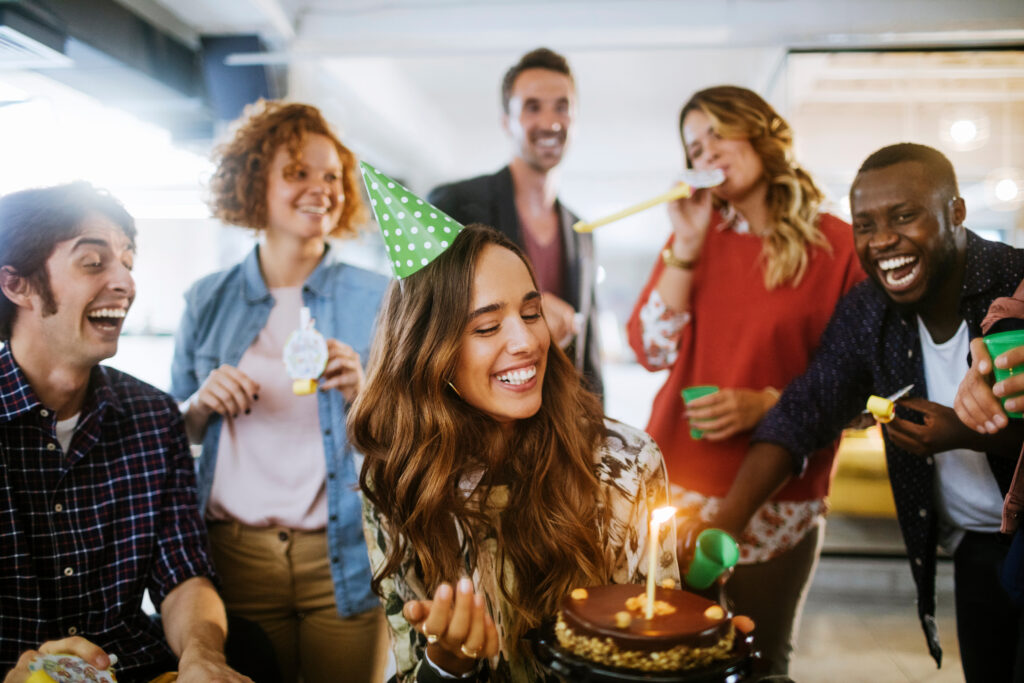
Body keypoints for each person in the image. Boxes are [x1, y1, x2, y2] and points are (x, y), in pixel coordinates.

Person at [710, 143, 1024, 682]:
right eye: (865, 224)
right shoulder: (868, 309)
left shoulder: (1013, 281)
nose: (881, 241)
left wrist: (966, 434)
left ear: (955, 212)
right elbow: (806, 410)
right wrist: (722, 528)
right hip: (975, 547)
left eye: (904, 216)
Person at [349, 223, 677, 682]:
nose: (527, 342)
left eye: (531, 312)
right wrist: (447, 664)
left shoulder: (624, 466)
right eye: (486, 326)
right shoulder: (396, 479)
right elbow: (410, 668)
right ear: (428, 353)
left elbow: (660, 652)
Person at [625, 85, 863, 677]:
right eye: (692, 146)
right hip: (675, 488)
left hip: (781, 504)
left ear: (759, 131)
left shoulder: (840, 245)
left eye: (716, 134)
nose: (704, 152)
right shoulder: (697, 238)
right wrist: (685, 244)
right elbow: (649, 349)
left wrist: (771, 405)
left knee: (761, 661)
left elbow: (867, 393)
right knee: (670, 659)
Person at [169, 101, 389, 683]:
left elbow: (412, 436)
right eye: (298, 172)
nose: (321, 188)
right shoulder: (206, 300)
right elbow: (170, 438)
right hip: (233, 558)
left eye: (332, 176)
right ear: (252, 183)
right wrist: (199, 406)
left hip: (342, 555)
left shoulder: (380, 298)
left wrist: (365, 396)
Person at [0, 183, 251, 683]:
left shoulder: (154, 416)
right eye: (93, 263)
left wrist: (202, 656)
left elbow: (183, 573)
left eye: (128, 263)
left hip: (135, 668)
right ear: (17, 284)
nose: (125, 283)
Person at [428, 47, 603, 398]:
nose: (551, 122)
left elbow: (588, 352)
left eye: (562, 107)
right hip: (474, 417)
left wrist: (596, 424)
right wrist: (528, 313)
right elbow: (427, 315)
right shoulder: (454, 204)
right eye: (532, 107)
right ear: (506, 121)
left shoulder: (581, 233)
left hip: (551, 417)